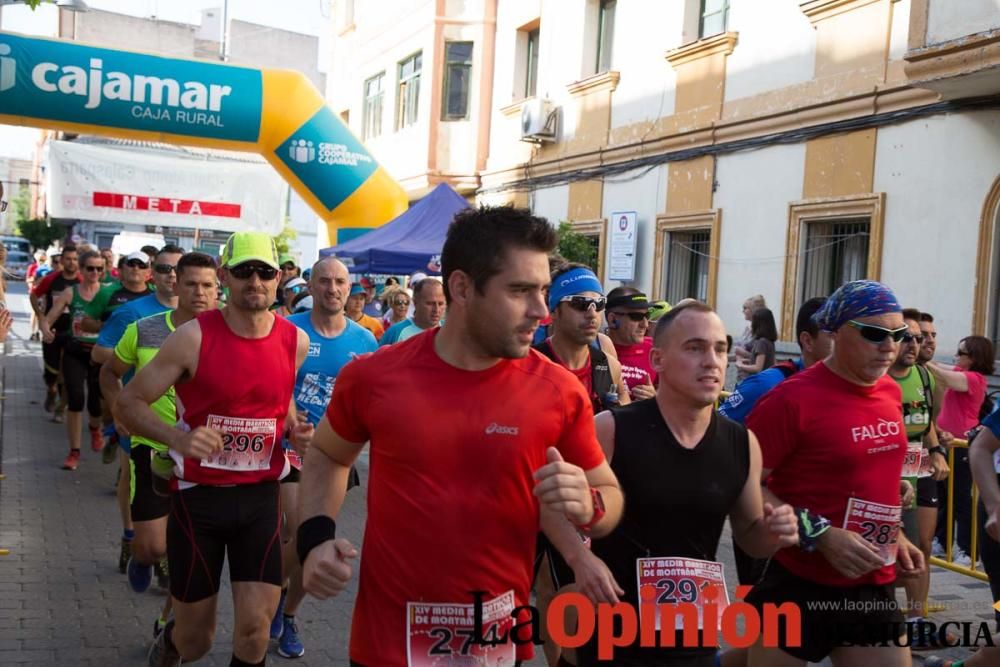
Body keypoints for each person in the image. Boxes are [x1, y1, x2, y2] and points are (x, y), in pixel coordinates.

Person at [297, 205, 623, 667]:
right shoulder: (375, 376)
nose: (541, 311)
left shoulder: (559, 391)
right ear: (462, 287)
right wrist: (315, 538)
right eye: (520, 291)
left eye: (545, 292)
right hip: (386, 647)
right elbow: (329, 455)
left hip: (495, 644)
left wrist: (591, 505)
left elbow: (608, 498)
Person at [120, 231, 313, 667]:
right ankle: (169, 644)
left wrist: (296, 428)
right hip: (199, 500)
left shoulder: (293, 341)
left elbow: (278, 403)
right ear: (225, 275)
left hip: (260, 496)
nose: (255, 281)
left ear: (279, 277)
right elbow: (128, 402)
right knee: (196, 641)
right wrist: (177, 438)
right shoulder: (192, 337)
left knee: (254, 632)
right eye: (244, 271)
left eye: (265, 272)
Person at [571, 302, 799, 666]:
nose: (712, 361)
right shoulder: (612, 429)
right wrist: (580, 559)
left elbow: (751, 538)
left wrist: (775, 532)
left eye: (720, 349)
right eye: (694, 348)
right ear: (658, 360)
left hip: (694, 631)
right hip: (613, 630)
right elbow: (553, 512)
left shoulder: (742, 443)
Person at [745, 280, 925, 666]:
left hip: (871, 583)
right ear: (835, 333)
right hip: (799, 581)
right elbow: (745, 485)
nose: (889, 346)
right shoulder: (790, 400)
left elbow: (870, 481)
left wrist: (899, 535)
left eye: (898, 335)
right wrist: (821, 535)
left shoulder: (890, 391)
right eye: (875, 333)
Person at [99, 252, 218, 637]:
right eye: (191, 284)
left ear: (218, 289)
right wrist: (119, 412)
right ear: (173, 285)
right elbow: (109, 372)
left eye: (208, 285)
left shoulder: (228, 335)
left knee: (189, 547)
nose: (199, 293)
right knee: (152, 548)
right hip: (152, 444)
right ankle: (140, 554)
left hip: (206, 455)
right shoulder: (146, 328)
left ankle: (168, 623)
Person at [269, 257, 378, 659]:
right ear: (310, 286)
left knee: (313, 539)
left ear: (351, 291)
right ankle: (271, 596)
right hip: (289, 448)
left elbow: (367, 400)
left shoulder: (365, 342)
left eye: (340, 283)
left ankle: (287, 609)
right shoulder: (288, 330)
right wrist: (294, 425)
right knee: (300, 528)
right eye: (325, 282)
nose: (333, 289)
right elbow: (277, 385)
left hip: (337, 456)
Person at [532, 265, 630, 666]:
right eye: (579, 304)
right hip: (533, 491)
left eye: (598, 304)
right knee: (543, 589)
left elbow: (618, 420)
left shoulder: (604, 363)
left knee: (569, 589)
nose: (591, 313)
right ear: (554, 311)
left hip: (586, 495)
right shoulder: (534, 362)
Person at [91, 245, 183, 575]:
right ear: (150, 274)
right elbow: (101, 355)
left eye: (176, 269)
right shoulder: (133, 314)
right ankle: (133, 538)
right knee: (133, 478)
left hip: (185, 425)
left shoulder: (208, 317)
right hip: (141, 419)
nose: (170, 275)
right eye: (162, 269)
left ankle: (165, 551)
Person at [890, 308, 950, 648]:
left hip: (918, 464)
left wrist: (937, 450)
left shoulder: (924, 376)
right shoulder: (879, 376)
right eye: (907, 338)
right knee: (892, 546)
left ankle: (917, 621)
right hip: (886, 467)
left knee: (922, 546)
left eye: (920, 338)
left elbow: (925, 419)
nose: (915, 344)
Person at [928, 335, 994, 566]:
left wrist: (919, 358)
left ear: (974, 358)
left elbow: (941, 374)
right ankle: (941, 541)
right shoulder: (960, 371)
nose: (956, 355)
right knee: (944, 495)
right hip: (947, 442)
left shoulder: (973, 379)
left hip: (962, 444)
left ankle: (967, 551)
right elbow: (938, 366)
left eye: (961, 352)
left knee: (960, 499)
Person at [40, 249, 106, 470]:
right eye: (90, 268)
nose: (95, 272)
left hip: (99, 353)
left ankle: (95, 429)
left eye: (99, 269)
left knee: (96, 403)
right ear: (82, 269)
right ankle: (74, 451)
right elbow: (51, 315)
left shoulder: (107, 294)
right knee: (76, 398)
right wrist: (46, 328)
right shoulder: (71, 292)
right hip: (75, 350)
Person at [32, 244, 80, 420]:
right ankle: (51, 391)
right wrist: (41, 316)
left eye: (75, 259)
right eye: (68, 259)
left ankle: (61, 408)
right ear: (61, 260)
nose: (71, 262)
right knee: (51, 373)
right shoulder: (51, 279)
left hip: (73, 334)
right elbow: (34, 295)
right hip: (52, 331)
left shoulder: (81, 282)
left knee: (68, 373)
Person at [80, 250, 153, 333]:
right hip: (112, 345)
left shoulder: (156, 294)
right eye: (131, 264)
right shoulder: (106, 292)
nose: (135, 268)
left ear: (149, 272)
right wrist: (108, 326)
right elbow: (85, 323)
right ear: (124, 268)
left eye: (141, 265)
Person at [604, 287, 656, 400]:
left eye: (647, 316)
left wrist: (655, 399)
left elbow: (678, 400)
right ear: (612, 320)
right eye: (636, 317)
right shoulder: (594, 350)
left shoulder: (654, 350)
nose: (645, 325)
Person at [379, 278, 446, 345]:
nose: (437, 309)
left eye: (441, 304)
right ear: (415, 302)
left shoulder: (450, 332)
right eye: (430, 303)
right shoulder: (396, 332)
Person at [734, 306, 777, 382]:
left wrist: (741, 366)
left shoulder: (761, 342)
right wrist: (748, 361)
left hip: (759, 382)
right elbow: (765, 362)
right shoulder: (769, 341)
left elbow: (758, 368)